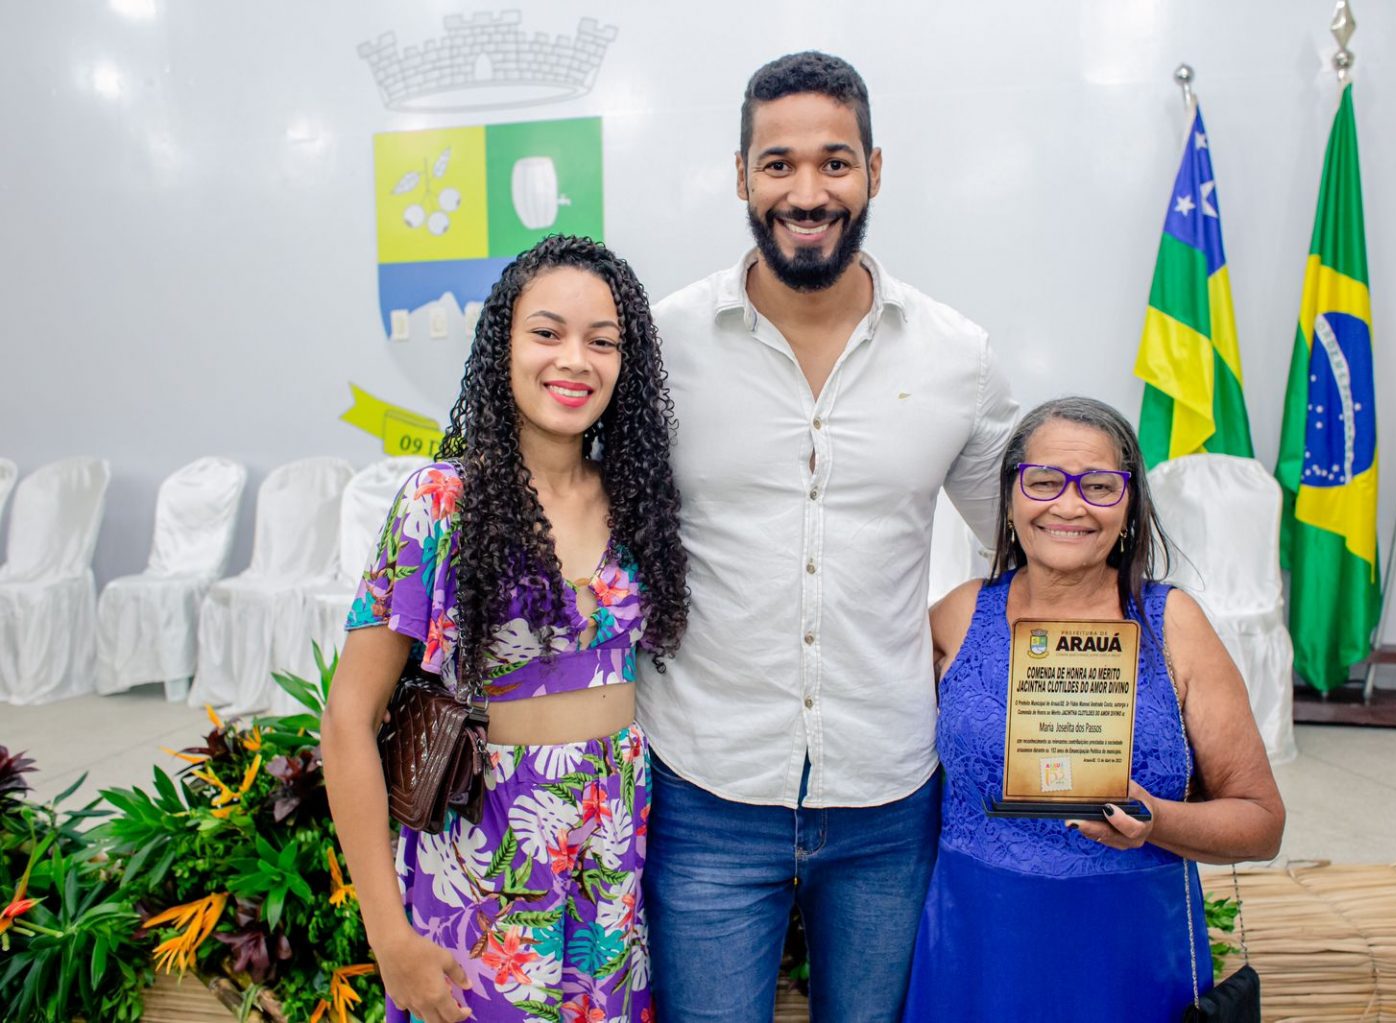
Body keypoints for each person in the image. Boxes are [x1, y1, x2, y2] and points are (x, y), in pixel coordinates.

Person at [637, 52, 1019, 1021]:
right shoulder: (659, 346)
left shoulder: (957, 356)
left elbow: (1027, 549)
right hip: (705, 787)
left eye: (835, 162)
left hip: (887, 794)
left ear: (874, 171)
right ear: (741, 176)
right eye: (779, 163)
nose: (807, 193)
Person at [321, 235, 689, 1023]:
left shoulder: (637, 500)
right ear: (503, 345)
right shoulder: (441, 501)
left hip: (612, 855)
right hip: (482, 855)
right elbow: (349, 718)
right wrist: (388, 937)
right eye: (547, 333)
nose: (575, 360)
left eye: (602, 341)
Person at [902, 396, 1285, 1020]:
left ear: (1130, 505)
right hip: (978, 940)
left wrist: (1156, 820)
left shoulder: (1174, 624)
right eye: (1044, 481)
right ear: (1011, 497)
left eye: (1100, 486)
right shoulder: (959, 614)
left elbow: (1261, 824)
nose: (1069, 505)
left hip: (1126, 948)